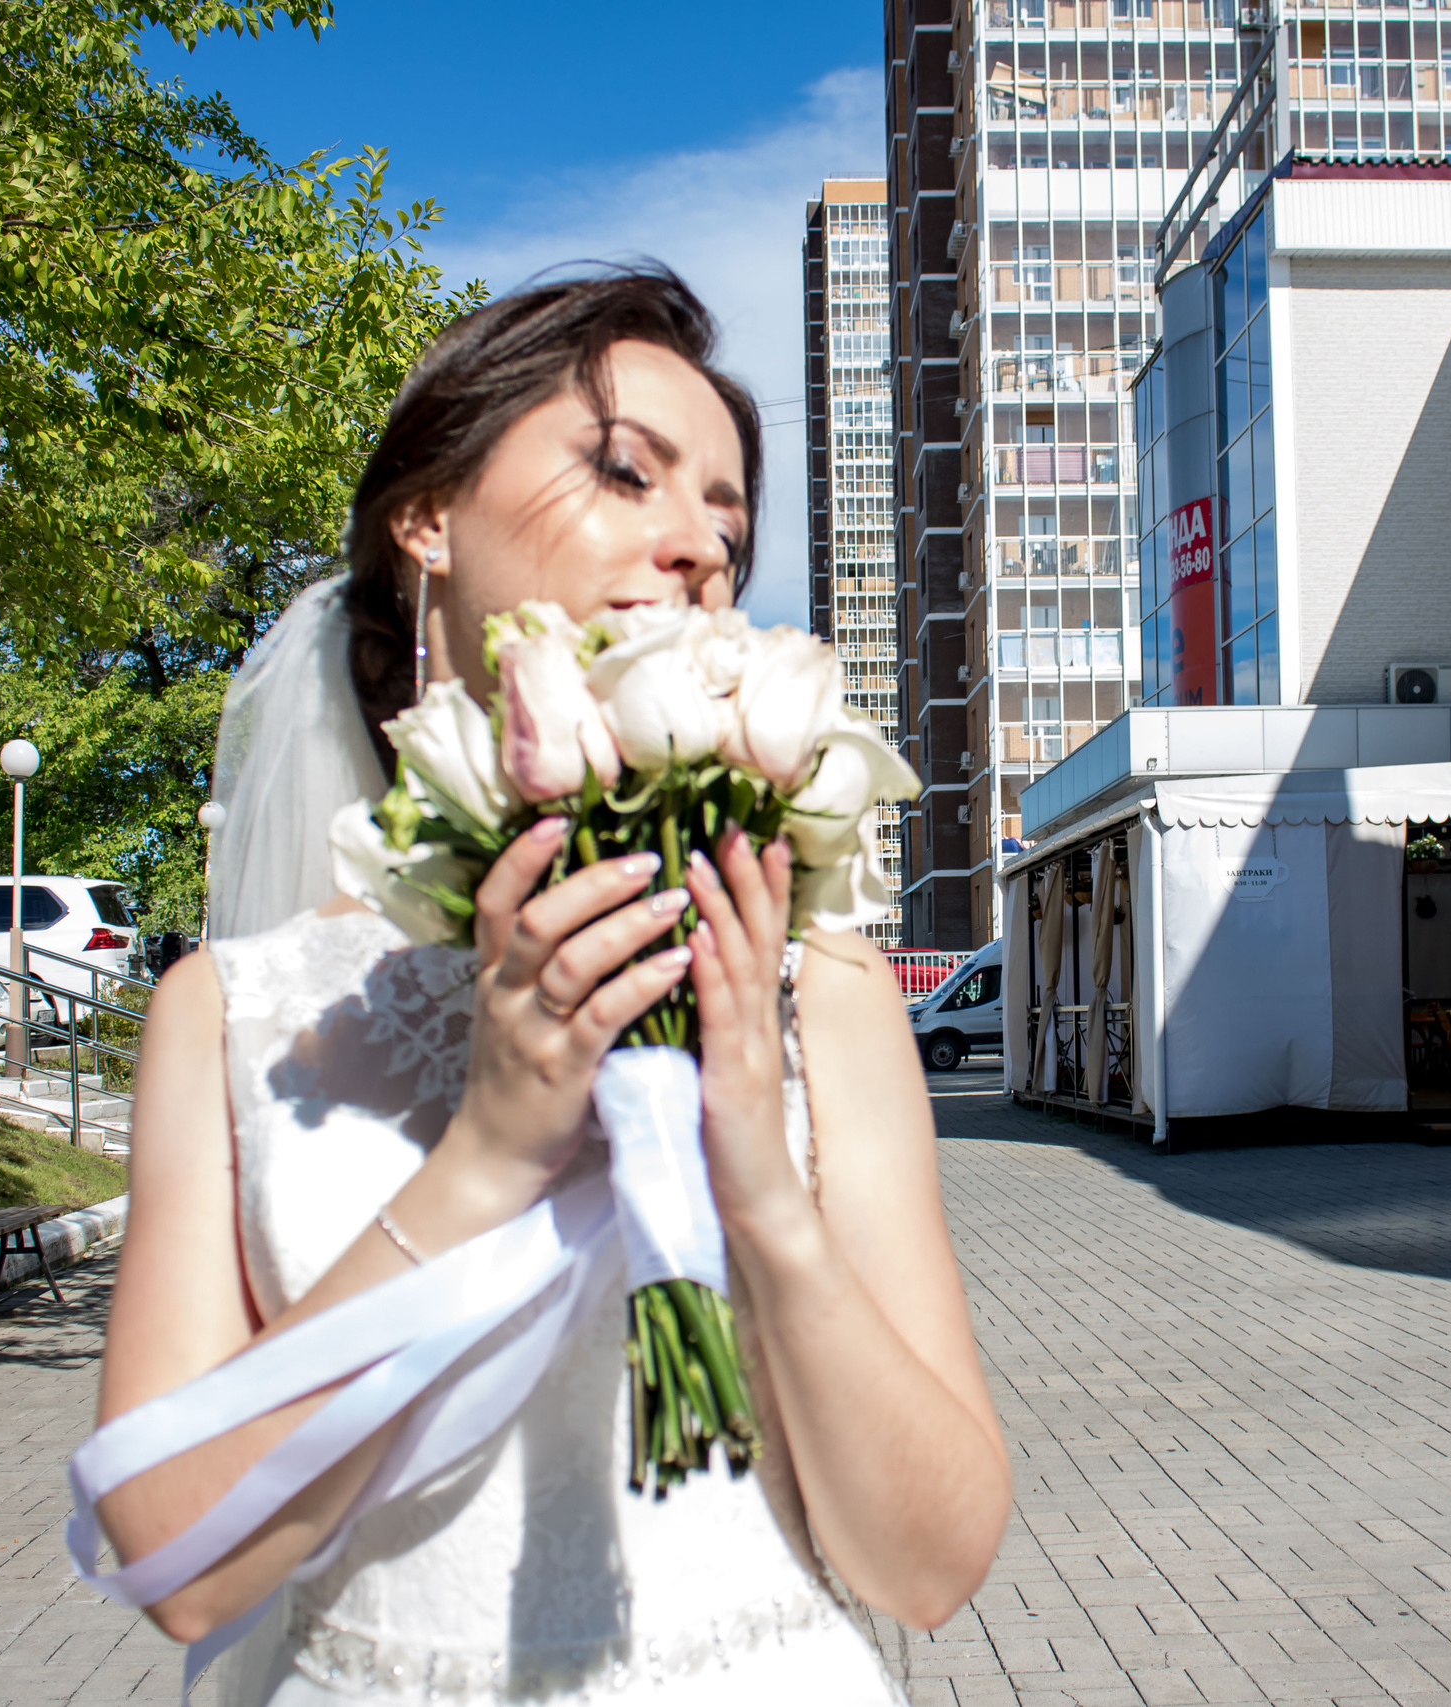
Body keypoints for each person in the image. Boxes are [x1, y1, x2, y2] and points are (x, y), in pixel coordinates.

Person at [92, 269, 1011, 1704]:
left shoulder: (819, 990)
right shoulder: (234, 1013)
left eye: (728, 517)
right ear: (427, 514)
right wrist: (491, 1152)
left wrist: (760, 1183)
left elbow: (935, 1567)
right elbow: (180, 1563)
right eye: (627, 471)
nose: (701, 543)